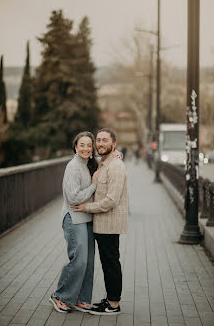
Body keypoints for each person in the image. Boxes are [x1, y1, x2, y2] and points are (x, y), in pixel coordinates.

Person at [71, 128, 128, 316]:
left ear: (114, 144)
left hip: (110, 224)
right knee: (107, 263)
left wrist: (87, 207)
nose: (100, 144)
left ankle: (113, 305)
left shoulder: (116, 167)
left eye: (105, 140)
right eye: (99, 141)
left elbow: (111, 200)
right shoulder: (103, 163)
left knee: (111, 263)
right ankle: (110, 299)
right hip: (101, 225)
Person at [49, 131, 100, 313]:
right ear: (76, 147)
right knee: (79, 260)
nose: (86, 148)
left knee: (88, 262)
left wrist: (118, 154)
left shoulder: (90, 164)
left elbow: (110, 159)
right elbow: (73, 197)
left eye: (89, 145)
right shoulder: (74, 166)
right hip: (74, 217)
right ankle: (60, 296)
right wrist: (93, 185)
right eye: (82, 145)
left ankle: (82, 299)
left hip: (87, 217)